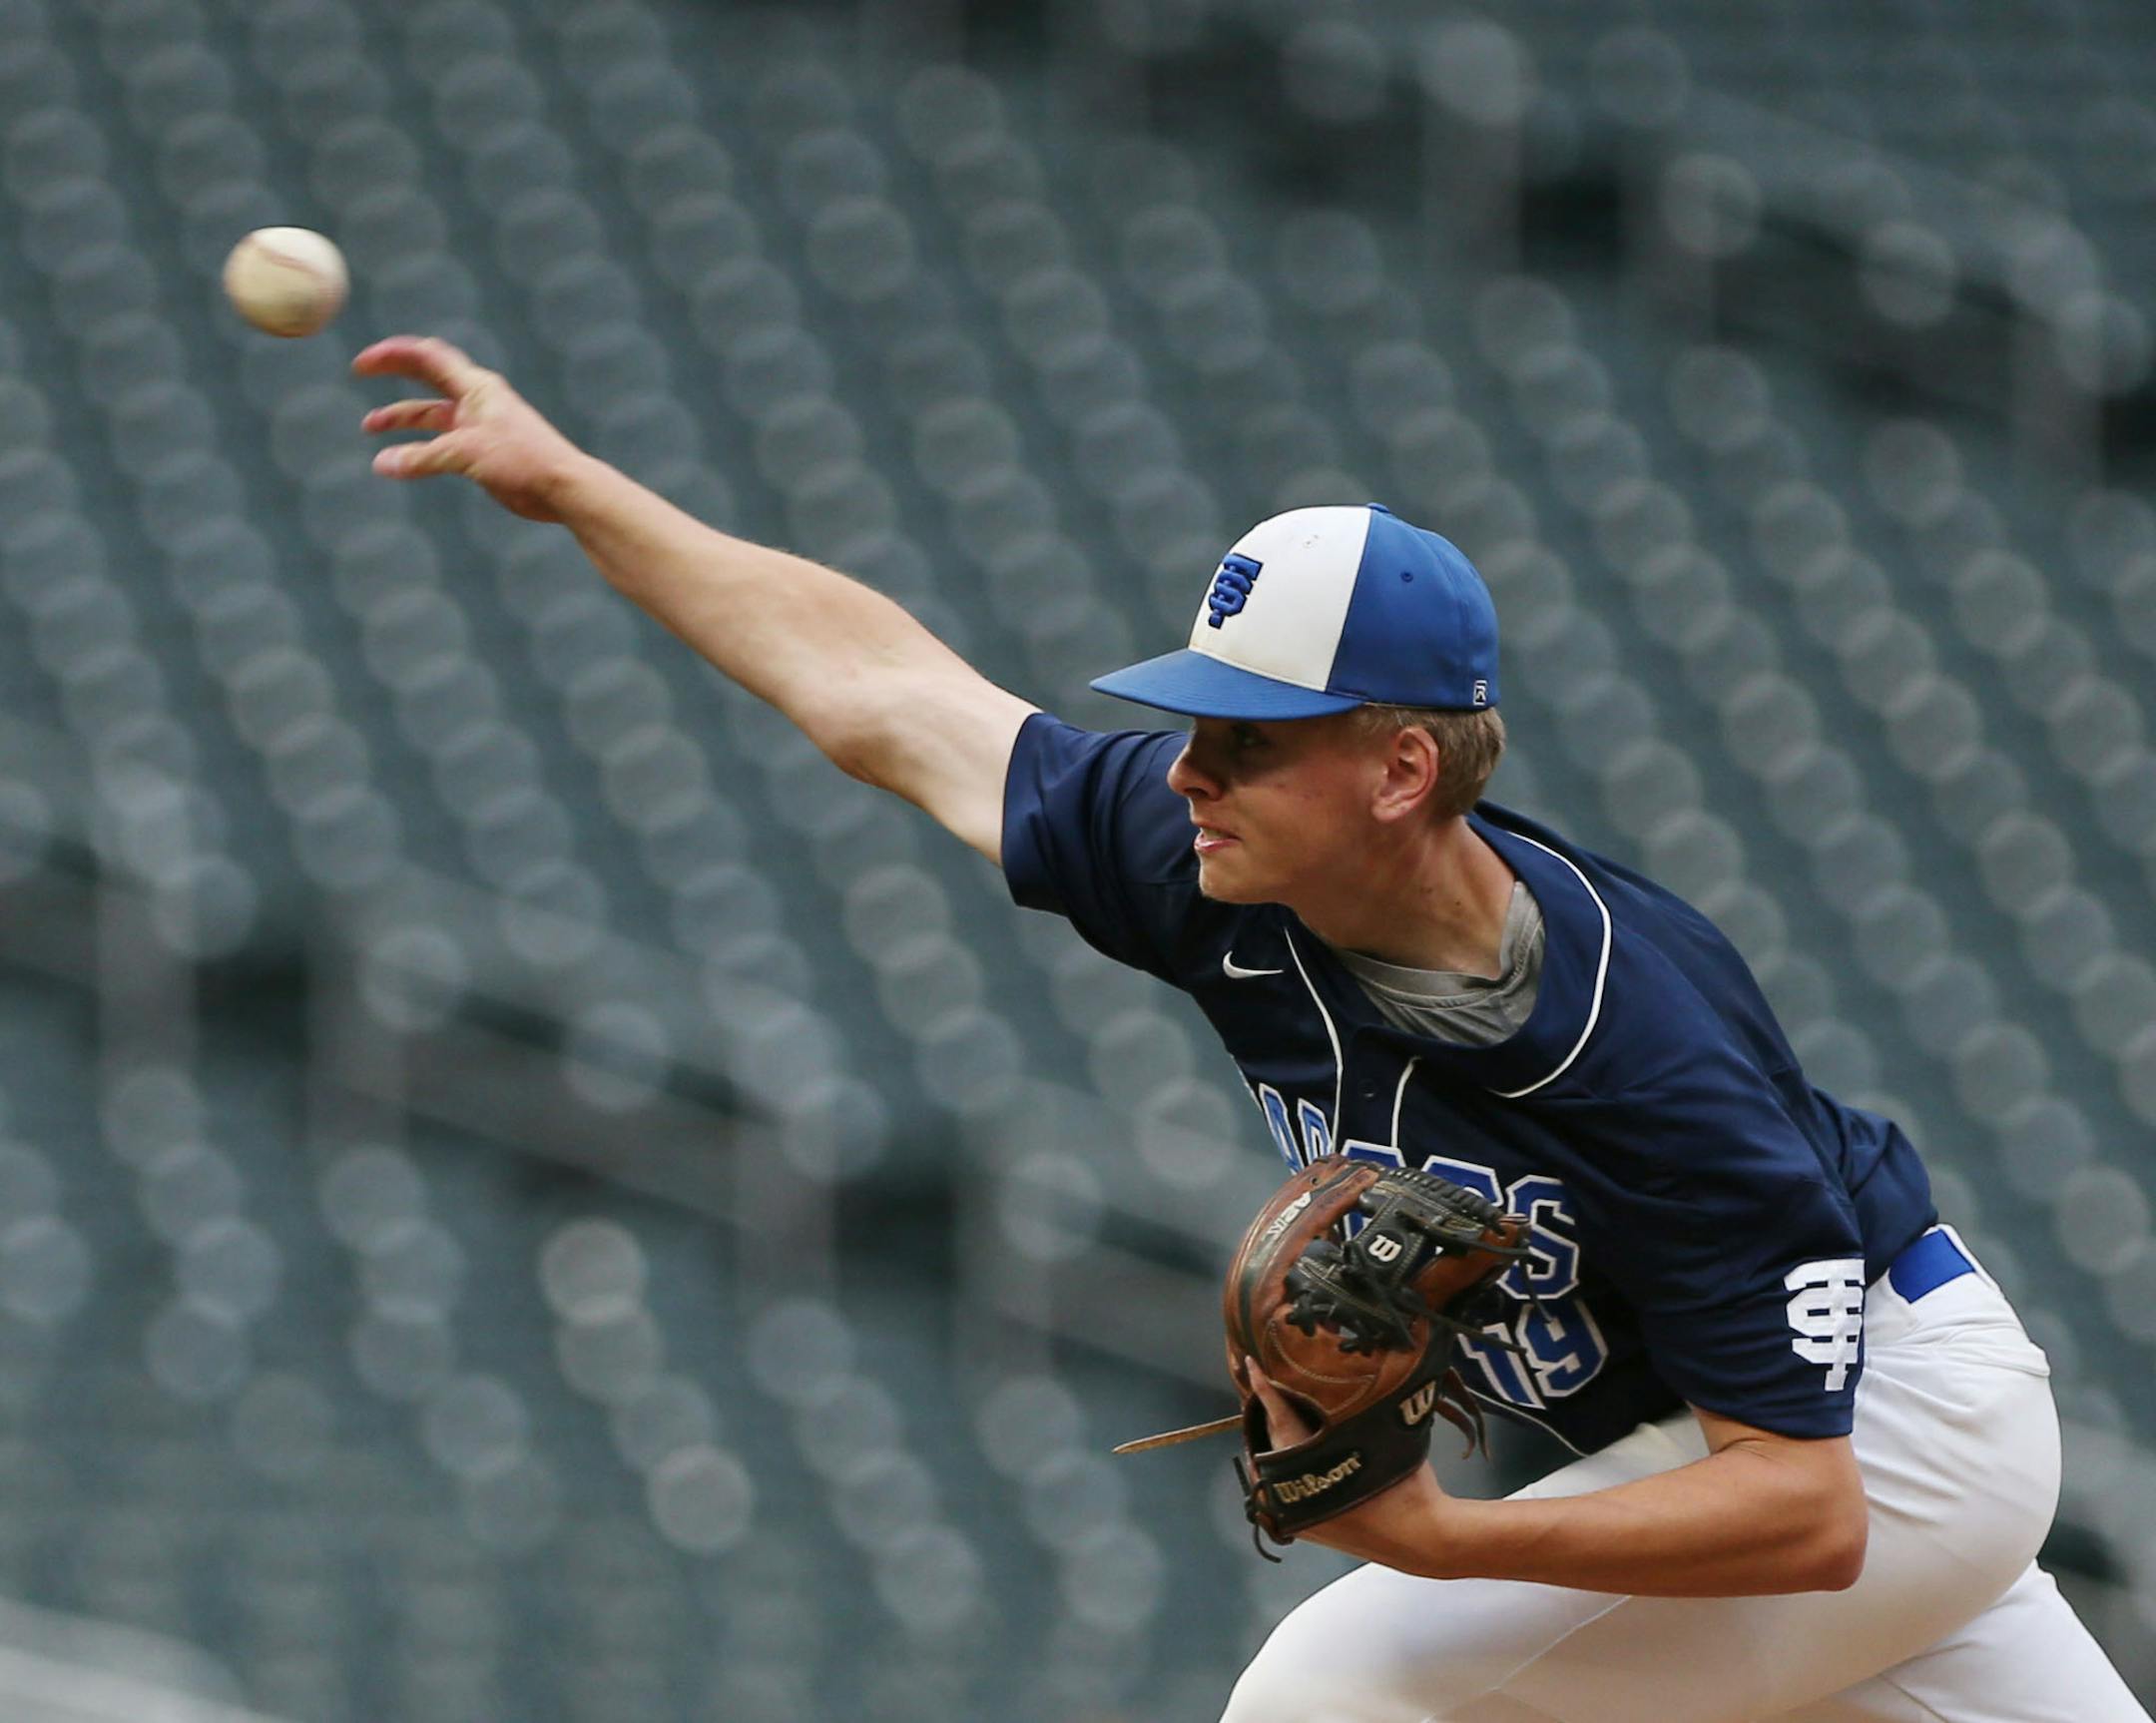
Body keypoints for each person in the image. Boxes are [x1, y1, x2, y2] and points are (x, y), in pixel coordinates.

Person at [354, 335, 2148, 1723]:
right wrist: (578, 484)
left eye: (1248, 737)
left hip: (1882, 1431)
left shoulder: (1637, 1037)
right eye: (1195, 722)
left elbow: (1808, 1507)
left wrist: (1455, 1540)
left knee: (1334, 1689)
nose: (1189, 766)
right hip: (1699, 1457)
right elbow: (891, 702)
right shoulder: (1212, 864)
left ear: (1401, 766)